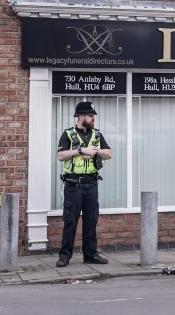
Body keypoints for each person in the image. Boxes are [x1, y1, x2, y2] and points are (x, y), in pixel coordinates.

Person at [56, 100, 112, 267]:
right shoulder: (68, 134)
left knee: (91, 220)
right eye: (90, 115)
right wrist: (80, 151)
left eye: (93, 115)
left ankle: (90, 254)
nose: (92, 118)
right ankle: (65, 256)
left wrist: (95, 151)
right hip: (74, 184)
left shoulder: (97, 134)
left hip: (92, 183)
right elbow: (60, 156)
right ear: (81, 116)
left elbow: (109, 153)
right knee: (70, 220)